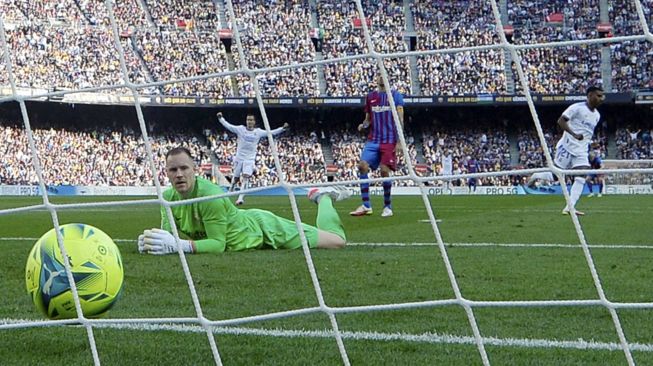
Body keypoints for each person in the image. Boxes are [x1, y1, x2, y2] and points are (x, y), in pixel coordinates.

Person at [138, 147, 350, 254]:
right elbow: (168, 237)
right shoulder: (167, 198)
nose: (179, 174)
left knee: (337, 241)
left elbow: (218, 245)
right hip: (244, 230)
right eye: (173, 170)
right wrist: (152, 243)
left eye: (184, 168)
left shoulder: (210, 196)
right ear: (166, 173)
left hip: (261, 229)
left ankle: (323, 198)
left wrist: (179, 246)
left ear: (195, 170)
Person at [350, 73, 404, 218]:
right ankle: (366, 205)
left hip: (389, 140)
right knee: (362, 166)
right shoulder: (371, 97)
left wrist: (399, 141)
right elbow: (368, 119)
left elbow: (400, 118)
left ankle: (387, 206)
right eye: (379, 75)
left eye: (384, 75)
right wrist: (363, 125)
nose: (381, 78)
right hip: (373, 139)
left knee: (384, 171)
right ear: (376, 79)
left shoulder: (396, 95)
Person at [216, 112, 289, 205]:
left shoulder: (258, 132)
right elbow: (229, 126)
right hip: (239, 157)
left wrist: (282, 128)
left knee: (246, 177)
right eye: (248, 120)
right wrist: (220, 118)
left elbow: (271, 132)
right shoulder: (240, 129)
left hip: (249, 159)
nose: (249, 122)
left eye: (251, 120)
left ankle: (240, 198)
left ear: (254, 122)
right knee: (236, 178)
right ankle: (230, 191)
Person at [553, 86, 605, 216]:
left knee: (581, 177)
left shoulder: (597, 116)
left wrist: (591, 144)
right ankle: (535, 177)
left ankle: (570, 207)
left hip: (581, 151)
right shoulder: (577, 107)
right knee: (554, 176)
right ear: (590, 95)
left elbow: (587, 134)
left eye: (602, 96)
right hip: (567, 146)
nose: (601, 99)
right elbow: (561, 121)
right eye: (598, 96)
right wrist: (574, 134)